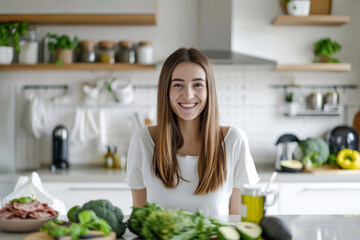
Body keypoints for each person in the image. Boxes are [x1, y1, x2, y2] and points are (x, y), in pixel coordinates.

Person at [125, 47, 259, 216]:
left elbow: (237, 220)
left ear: (209, 90)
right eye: (178, 85)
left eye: (197, 85)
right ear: (166, 91)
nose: (188, 95)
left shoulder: (234, 141)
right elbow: (140, 217)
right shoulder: (142, 141)